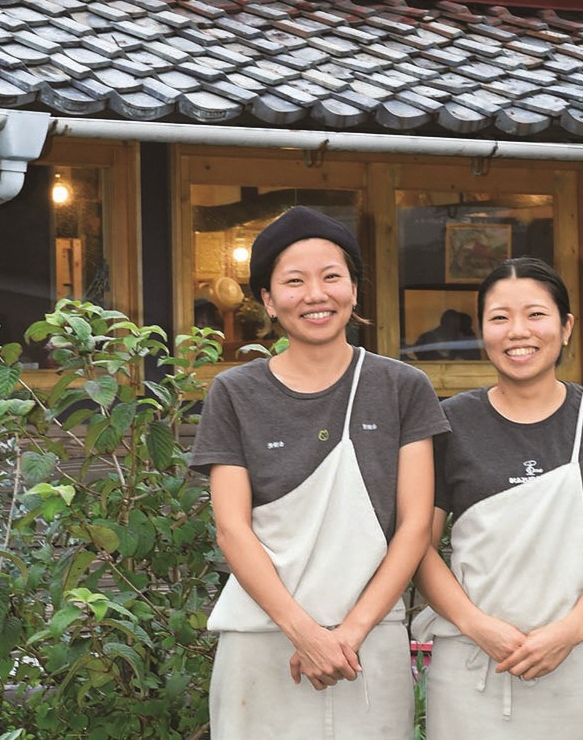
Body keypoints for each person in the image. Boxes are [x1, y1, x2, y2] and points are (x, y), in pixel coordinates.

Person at [191, 206, 449, 739]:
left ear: (354, 289)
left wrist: (350, 632)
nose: (316, 294)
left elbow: (416, 525)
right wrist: (305, 633)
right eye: (294, 281)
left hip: (371, 638)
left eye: (332, 277)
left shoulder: (403, 388)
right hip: (260, 636)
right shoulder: (235, 393)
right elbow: (231, 529)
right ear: (267, 299)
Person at [413, 256, 583, 738]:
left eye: (535, 315)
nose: (518, 331)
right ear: (482, 331)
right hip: (471, 663)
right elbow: (418, 543)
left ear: (565, 328)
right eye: (499, 317)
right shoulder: (450, 422)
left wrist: (572, 628)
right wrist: (478, 626)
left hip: (580, 661)